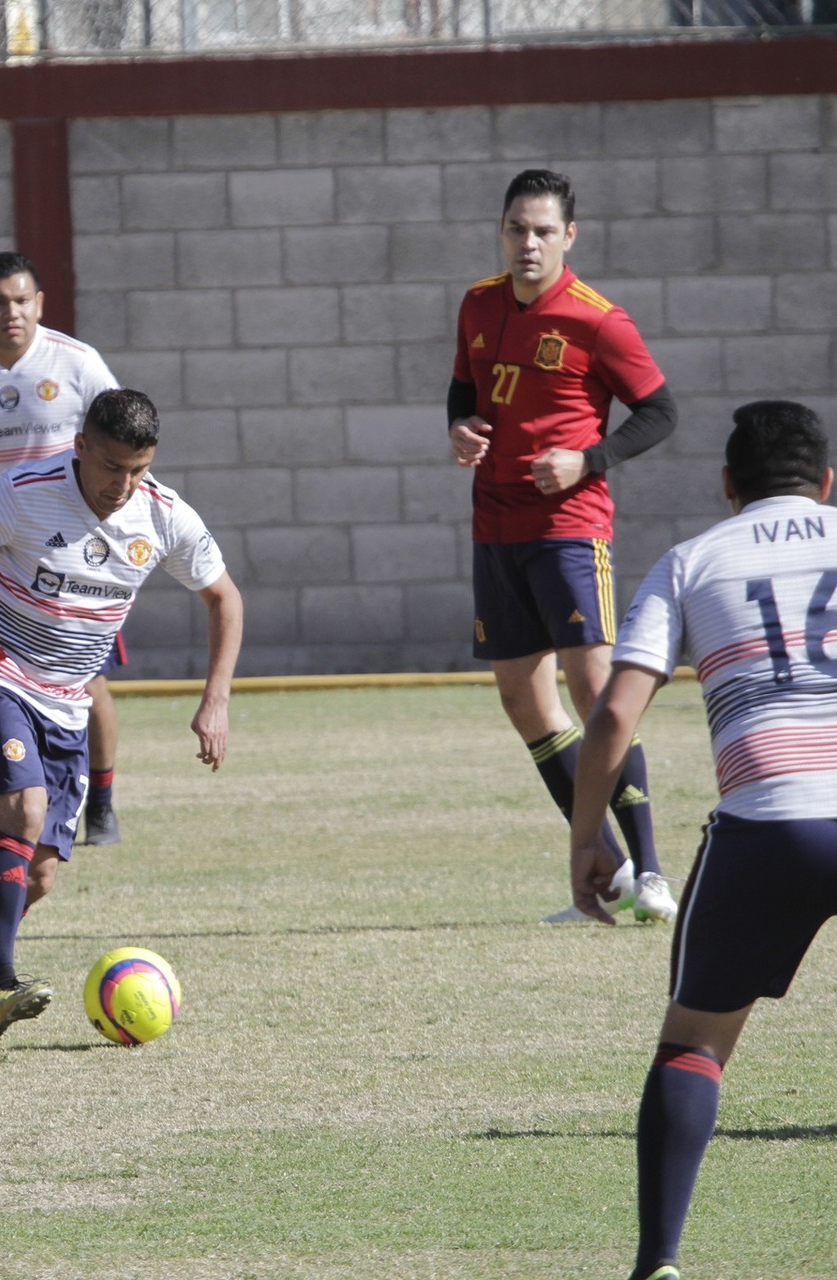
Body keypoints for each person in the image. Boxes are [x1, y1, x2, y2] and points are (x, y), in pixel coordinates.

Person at [0, 388, 243, 1045]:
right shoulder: (22, 492)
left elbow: (224, 597)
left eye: (139, 469)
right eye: (111, 467)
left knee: (35, 875)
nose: (123, 485)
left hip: (69, 701)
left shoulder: (164, 516)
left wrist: (216, 698)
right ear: (81, 449)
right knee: (23, 812)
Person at [569, 401, 837, 1280]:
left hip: (769, 824)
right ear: (827, 484)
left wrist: (588, 842)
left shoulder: (694, 561)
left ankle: (659, 1263)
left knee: (694, 1044)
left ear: (728, 488)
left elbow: (613, 711)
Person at [448, 168, 681, 924]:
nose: (529, 242)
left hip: (571, 530)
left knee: (597, 692)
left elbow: (660, 412)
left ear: (569, 237)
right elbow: (464, 389)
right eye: (517, 228)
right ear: (502, 231)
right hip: (495, 527)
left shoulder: (597, 320)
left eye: (544, 230)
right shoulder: (478, 304)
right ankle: (602, 872)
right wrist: (459, 427)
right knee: (524, 701)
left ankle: (650, 872)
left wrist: (590, 459)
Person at [0, 252, 129, 848]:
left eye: (20, 301)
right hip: (1, 559)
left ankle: (102, 808)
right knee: (3, 686)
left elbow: (124, 436)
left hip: (75, 551)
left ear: (39, 303)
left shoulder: (78, 364)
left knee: (84, 681)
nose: (10, 312)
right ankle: (17, 819)